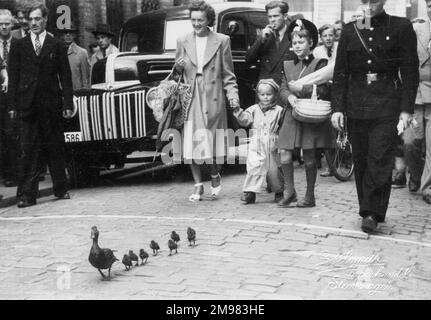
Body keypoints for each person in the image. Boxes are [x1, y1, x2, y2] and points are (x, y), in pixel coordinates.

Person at [331, 0, 419, 233]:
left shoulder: (400, 27)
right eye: (366, 1)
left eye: (375, 1)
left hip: (387, 102)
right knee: (360, 159)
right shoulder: (351, 31)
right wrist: (337, 108)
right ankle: (366, 205)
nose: (369, 6)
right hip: (356, 104)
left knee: (380, 158)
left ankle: (372, 213)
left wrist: (406, 109)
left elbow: (410, 71)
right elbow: (341, 72)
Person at [8, 4, 74, 208]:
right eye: (31, 20)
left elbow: (65, 76)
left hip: (50, 105)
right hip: (27, 106)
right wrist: (12, 105)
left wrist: (68, 102)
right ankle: (27, 194)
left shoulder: (56, 44)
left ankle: (61, 188)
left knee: (54, 146)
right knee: (29, 150)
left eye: (38, 19)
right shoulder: (19, 45)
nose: (34, 23)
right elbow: (14, 78)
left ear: (45, 19)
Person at [174, 0, 240, 202]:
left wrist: (233, 96)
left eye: (200, 20)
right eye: (193, 20)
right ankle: (197, 185)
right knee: (191, 143)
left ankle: (214, 174)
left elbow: (229, 75)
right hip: (191, 95)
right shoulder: (182, 40)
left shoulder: (222, 40)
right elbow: (177, 75)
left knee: (211, 143)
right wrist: (178, 67)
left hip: (213, 95)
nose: (196, 24)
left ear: (209, 20)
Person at [277, 18, 333, 208]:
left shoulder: (320, 63)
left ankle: (309, 195)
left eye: (301, 42)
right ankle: (289, 191)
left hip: (310, 114)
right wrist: (289, 98)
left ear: (311, 43)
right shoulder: (287, 64)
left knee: (309, 157)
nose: (297, 46)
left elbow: (325, 91)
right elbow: (283, 88)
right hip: (291, 114)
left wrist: (302, 90)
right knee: (284, 152)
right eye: (294, 43)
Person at [233, 79, 284, 204]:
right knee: (254, 166)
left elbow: (282, 126)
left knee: (274, 169)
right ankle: (250, 192)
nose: (265, 97)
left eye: (269, 94)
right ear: (258, 95)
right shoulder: (254, 109)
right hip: (257, 141)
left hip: (273, 141)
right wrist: (239, 112)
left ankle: (279, 191)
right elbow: (245, 120)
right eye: (262, 95)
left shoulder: (279, 110)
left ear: (275, 94)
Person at [402, 0, 431, 205]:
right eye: (429, 4)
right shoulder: (416, 28)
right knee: (410, 142)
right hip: (415, 95)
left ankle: (428, 187)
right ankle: (415, 174)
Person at [245, 1, 295, 86]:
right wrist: (260, 39)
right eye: (269, 17)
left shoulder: (294, 36)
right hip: (266, 90)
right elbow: (249, 60)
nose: (272, 20)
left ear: (285, 16)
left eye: (276, 16)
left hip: (285, 88)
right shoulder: (264, 36)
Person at [0, 9, 19, 188]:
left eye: (6, 23)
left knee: (13, 133)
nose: (4, 26)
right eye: (0, 24)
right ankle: (6, 173)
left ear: (12, 24)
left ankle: (15, 173)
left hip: (15, 96)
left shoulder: (19, 44)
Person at [57, 23, 90, 90]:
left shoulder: (81, 53)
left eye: (71, 33)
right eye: (66, 33)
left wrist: (84, 92)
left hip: (77, 92)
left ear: (74, 35)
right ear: (63, 35)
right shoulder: (58, 52)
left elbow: (85, 77)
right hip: (62, 92)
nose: (68, 35)